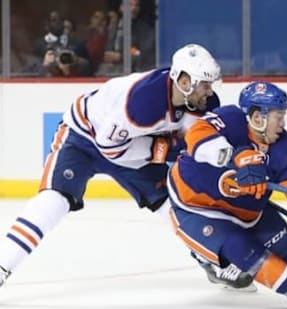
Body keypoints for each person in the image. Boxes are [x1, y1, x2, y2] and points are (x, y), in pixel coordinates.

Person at [0, 43, 252, 290]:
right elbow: (110, 148)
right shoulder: (141, 103)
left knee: (176, 200)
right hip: (84, 138)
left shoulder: (203, 103)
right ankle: (3, 265)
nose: (210, 92)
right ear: (184, 82)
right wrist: (164, 149)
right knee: (54, 200)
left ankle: (209, 257)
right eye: (205, 85)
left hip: (135, 146)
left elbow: (201, 141)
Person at [166, 81, 287, 309]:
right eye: (279, 116)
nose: (283, 123)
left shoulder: (286, 147)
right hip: (197, 207)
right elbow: (197, 134)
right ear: (258, 117)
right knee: (241, 249)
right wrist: (238, 156)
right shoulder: (231, 119)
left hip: (248, 210)